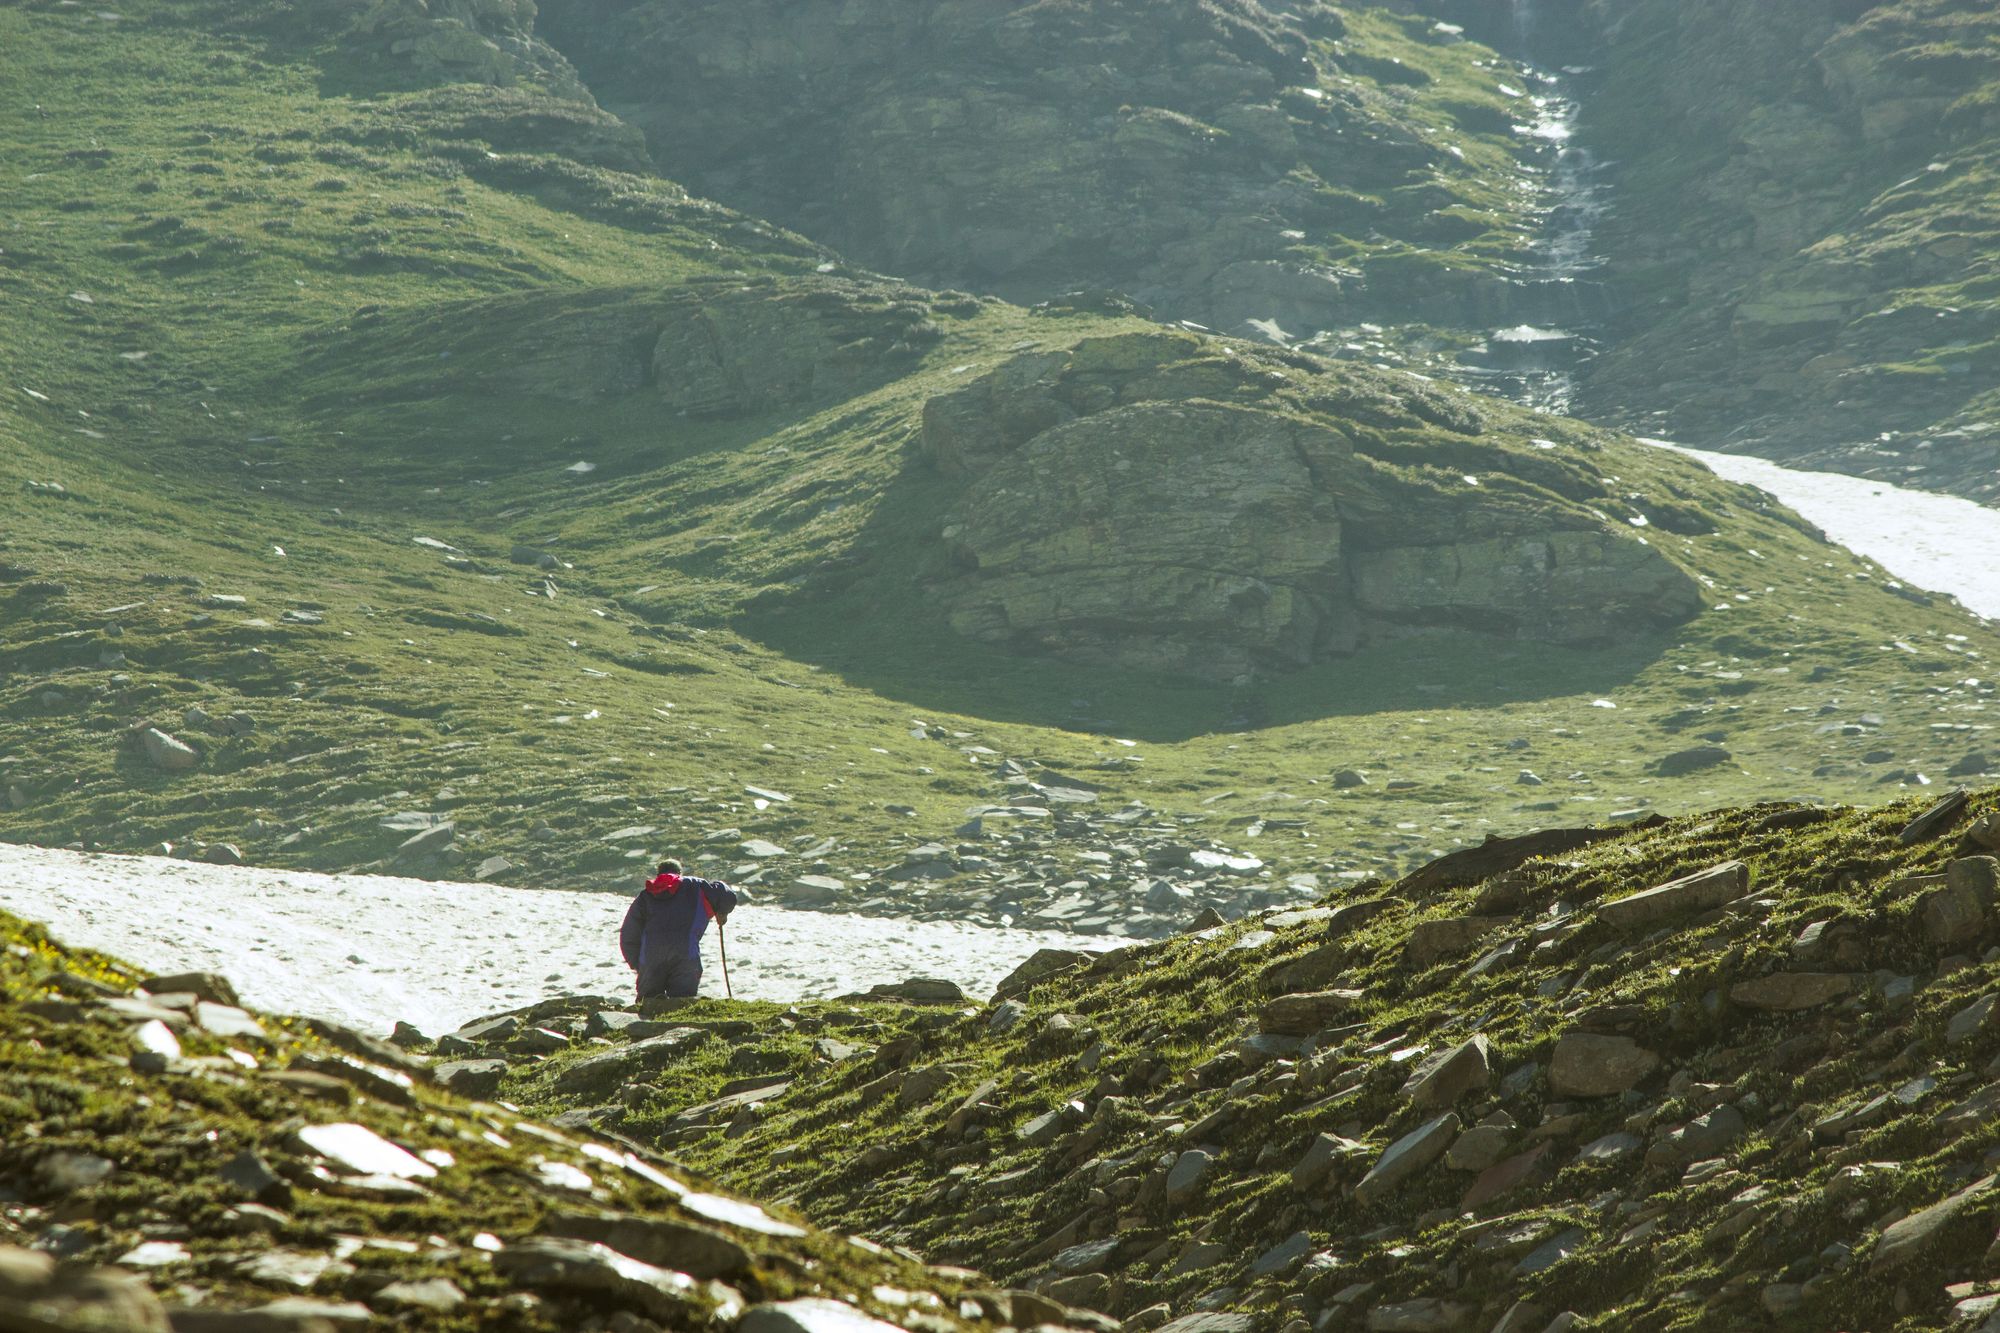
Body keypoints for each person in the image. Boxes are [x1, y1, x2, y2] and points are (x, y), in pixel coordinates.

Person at [619, 859, 737, 1002]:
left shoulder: (645, 896)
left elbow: (628, 935)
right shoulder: (696, 886)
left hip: (651, 958)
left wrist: (639, 964)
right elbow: (727, 895)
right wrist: (722, 912)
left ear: (658, 874)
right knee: (682, 1003)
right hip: (686, 955)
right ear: (680, 873)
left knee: (647, 1005)